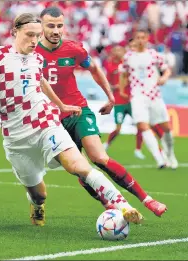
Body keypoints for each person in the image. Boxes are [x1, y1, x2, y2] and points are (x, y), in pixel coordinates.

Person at [0, 13, 143, 227]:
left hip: (46, 123)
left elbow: (40, 80)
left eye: (37, 36)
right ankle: (36, 204)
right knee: (39, 194)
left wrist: (60, 106)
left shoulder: (37, 58)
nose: (34, 41)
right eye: (29, 35)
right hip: (17, 137)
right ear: (15, 31)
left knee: (78, 165)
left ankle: (123, 206)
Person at [36, 7, 167, 217]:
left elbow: (95, 70)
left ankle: (147, 199)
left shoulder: (74, 49)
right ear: (40, 26)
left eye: (59, 25)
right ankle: (109, 205)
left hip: (78, 111)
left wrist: (110, 97)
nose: (56, 30)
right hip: (51, 121)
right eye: (50, 25)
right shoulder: (29, 53)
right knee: (79, 169)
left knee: (99, 157)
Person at [119, 29, 178, 169]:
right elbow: (123, 73)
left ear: (147, 39)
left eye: (142, 37)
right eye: (137, 37)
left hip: (154, 95)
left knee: (166, 128)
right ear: (135, 39)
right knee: (142, 125)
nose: (140, 40)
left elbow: (167, 69)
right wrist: (122, 90)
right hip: (138, 96)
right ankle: (159, 159)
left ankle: (170, 154)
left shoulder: (154, 54)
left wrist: (164, 77)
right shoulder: (128, 57)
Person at [102, 44, 146, 160]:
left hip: (131, 100)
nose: (118, 52)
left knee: (140, 126)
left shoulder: (128, 64)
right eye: (116, 50)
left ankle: (138, 150)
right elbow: (108, 85)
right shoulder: (110, 66)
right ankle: (106, 144)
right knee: (118, 129)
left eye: (120, 50)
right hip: (119, 102)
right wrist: (117, 86)